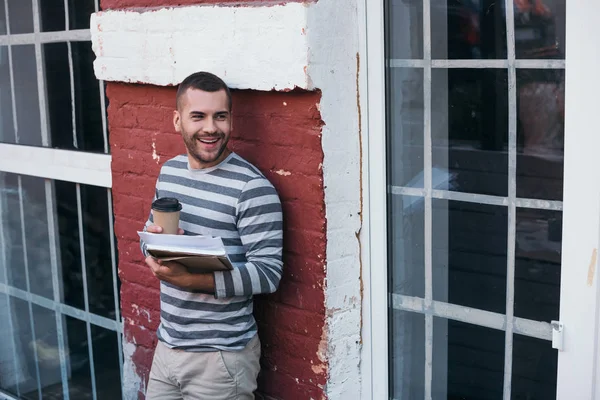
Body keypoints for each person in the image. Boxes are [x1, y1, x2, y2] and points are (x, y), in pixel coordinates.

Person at [140, 71, 283, 399]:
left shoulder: (251, 188)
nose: (210, 128)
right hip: (168, 346)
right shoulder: (170, 172)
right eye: (198, 116)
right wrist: (152, 243)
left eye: (220, 116)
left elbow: (268, 274)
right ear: (178, 121)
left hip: (221, 359)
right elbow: (152, 237)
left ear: (231, 119)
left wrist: (192, 280)